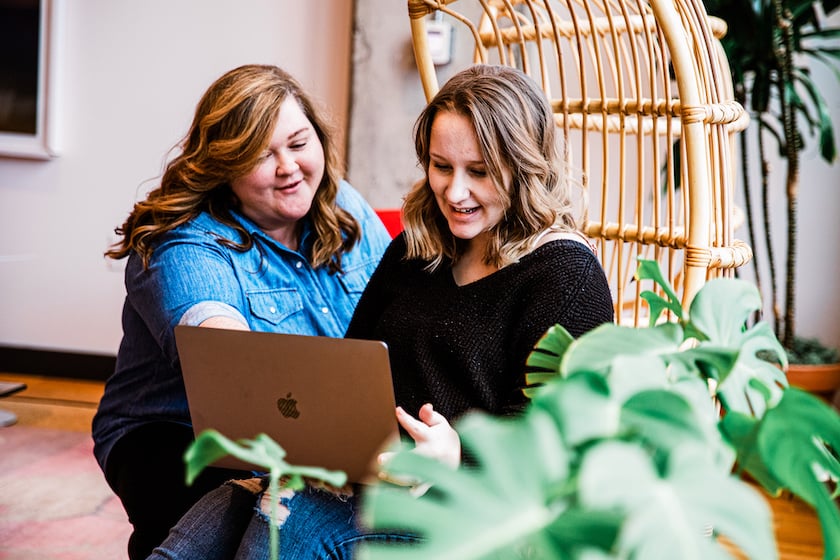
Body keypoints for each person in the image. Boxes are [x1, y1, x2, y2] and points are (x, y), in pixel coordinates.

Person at [148, 63, 615, 559]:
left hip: (473, 509)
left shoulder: (565, 277)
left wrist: (457, 455)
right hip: (367, 477)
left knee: (290, 520)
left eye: (479, 172)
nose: (454, 193)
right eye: (441, 166)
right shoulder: (416, 250)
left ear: (525, 167)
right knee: (204, 531)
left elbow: (561, 443)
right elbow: (351, 367)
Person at [91, 64, 393, 560]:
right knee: (260, 517)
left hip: (315, 435)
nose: (289, 167)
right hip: (177, 437)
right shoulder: (183, 241)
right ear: (223, 168)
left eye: (298, 144)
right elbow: (233, 368)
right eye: (261, 155)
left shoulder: (346, 211)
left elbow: (397, 320)